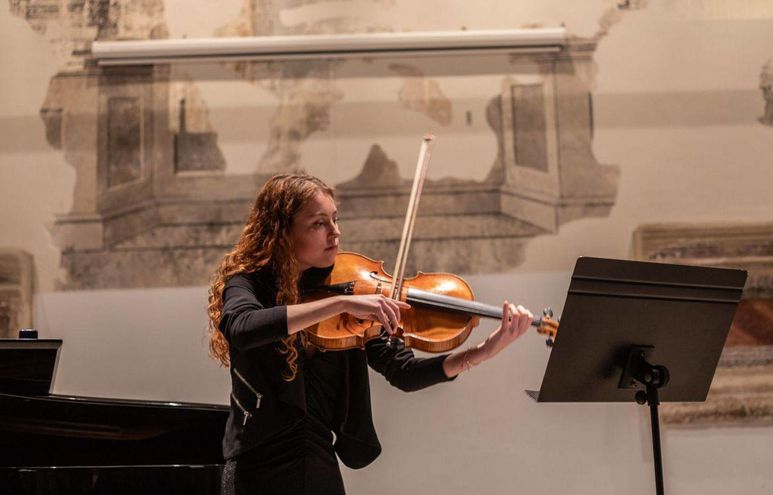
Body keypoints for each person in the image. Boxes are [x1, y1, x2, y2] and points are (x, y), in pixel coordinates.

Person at [207, 173, 551, 495]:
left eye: (335, 219)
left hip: (316, 461)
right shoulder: (248, 284)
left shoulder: (352, 297)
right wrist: (339, 305)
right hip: (258, 464)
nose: (335, 233)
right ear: (282, 233)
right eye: (318, 223)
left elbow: (405, 373)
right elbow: (241, 328)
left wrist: (484, 351)